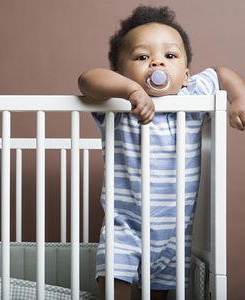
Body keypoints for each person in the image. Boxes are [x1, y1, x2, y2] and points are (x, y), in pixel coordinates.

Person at [78, 5, 245, 300]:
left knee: (162, 294)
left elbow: (221, 73)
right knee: (113, 290)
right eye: (142, 57)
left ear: (186, 75)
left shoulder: (192, 96)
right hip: (125, 228)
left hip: (175, 234)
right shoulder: (119, 106)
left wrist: (239, 97)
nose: (157, 63)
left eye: (170, 56)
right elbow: (87, 80)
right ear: (121, 73)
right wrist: (131, 92)